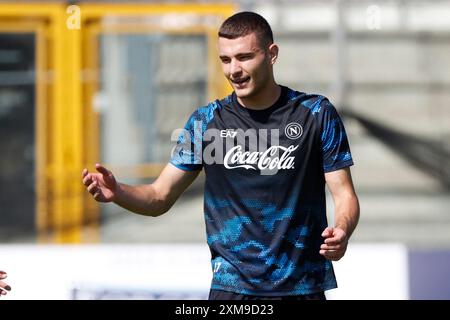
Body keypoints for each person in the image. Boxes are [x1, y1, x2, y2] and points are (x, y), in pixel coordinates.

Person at [82, 11, 359, 300]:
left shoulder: (315, 114)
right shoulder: (206, 123)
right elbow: (159, 197)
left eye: (244, 57)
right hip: (231, 292)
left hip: (302, 287)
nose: (233, 70)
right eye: (225, 60)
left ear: (272, 53)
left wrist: (341, 229)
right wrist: (118, 192)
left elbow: (345, 195)